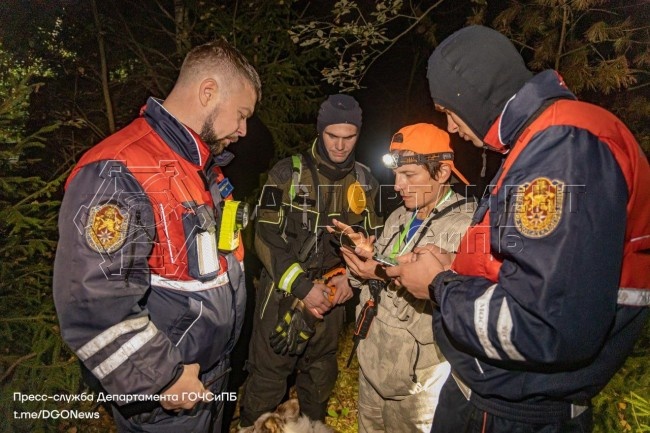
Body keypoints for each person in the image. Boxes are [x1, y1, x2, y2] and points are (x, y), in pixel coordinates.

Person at [384, 25, 650, 432]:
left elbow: (546, 323)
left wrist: (440, 285)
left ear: (472, 91)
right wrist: (454, 265)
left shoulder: (562, 147)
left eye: (450, 112)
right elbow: (527, 269)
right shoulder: (540, 142)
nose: (453, 128)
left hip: (516, 416)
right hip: (495, 400)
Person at [52, 39, 261, 433]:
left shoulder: (204, 171)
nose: (243, 130)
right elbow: (92, 303)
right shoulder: (120, 170)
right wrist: (163, 377)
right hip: (167, 401)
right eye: (242, 114)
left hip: (207, 382)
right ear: (208, 91)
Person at [239, 94, 383, 426]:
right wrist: (303, 288)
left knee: (318, 386)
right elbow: (264, 235)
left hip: (334, 298)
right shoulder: (286, 174)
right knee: (265, 386)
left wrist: (350, 277)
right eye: (333, 136)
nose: (341, 146)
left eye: (350, 137)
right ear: (320, 131)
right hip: (283, 297)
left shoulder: (365, 181)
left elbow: (375, 241)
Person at [331, 123, 475, 432]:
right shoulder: (400, 216)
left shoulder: (463, 227)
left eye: (409, 176)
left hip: (416, 386)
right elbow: (373, 274)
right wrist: (362, 257)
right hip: (373, 367)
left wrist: (377, 271)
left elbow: (449, 297)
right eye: (397, 174)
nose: (397, 185)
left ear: (442, 173)